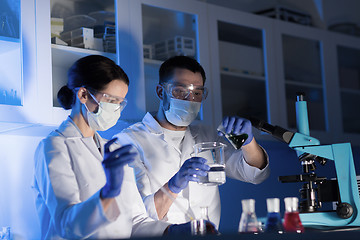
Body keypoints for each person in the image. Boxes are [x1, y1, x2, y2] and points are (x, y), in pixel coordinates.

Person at [33, 55, 201, 239]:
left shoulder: (112, 150)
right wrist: (109, 191)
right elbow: (67, 226)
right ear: (83, 95)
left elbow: (135, 221)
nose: (117, 109)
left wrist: (175, 231)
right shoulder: (54, 147)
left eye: (121, 103)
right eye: (112, 101)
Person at [114, 56, 270, 229]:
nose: (190, 99)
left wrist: (248, 143)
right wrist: (174, 184)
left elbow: (255, 174)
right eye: (180, 90)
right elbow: (137, 219)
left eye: (197, 93)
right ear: (160, 92)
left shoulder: (208, 136)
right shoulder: (128, 142)